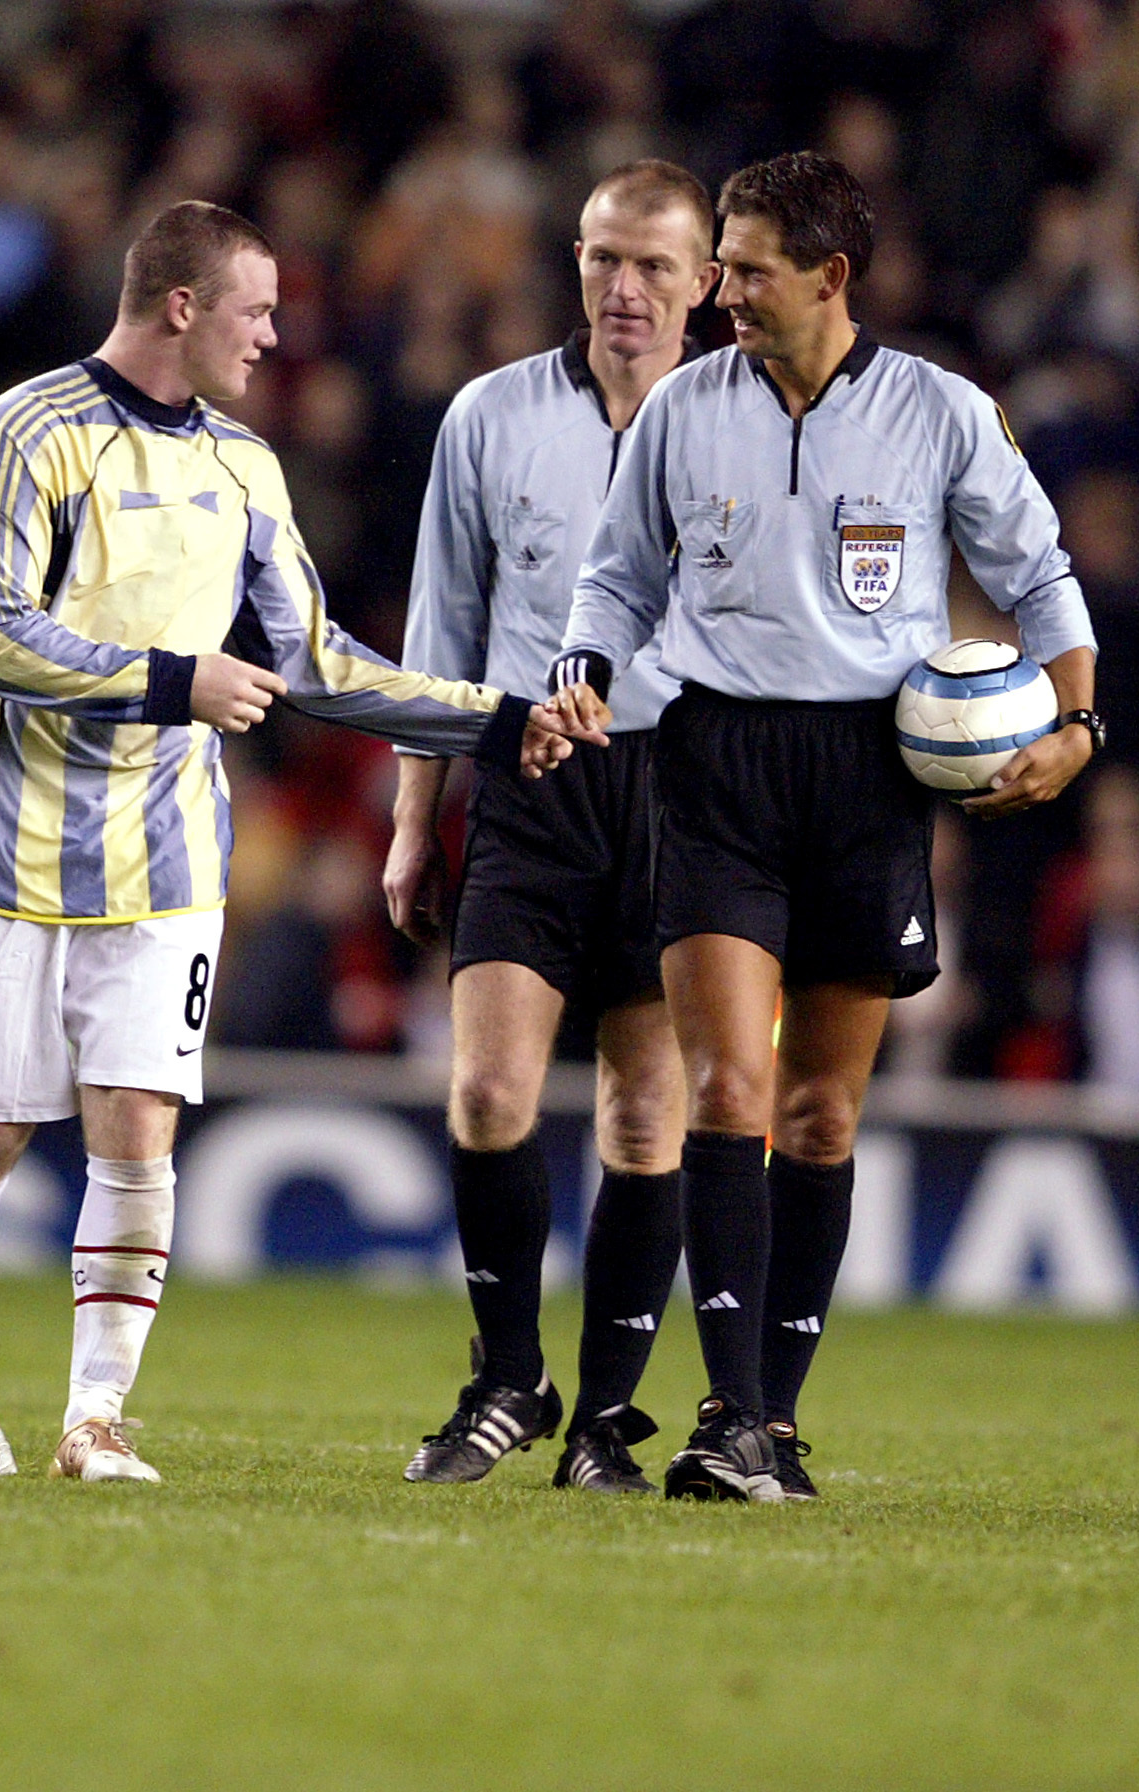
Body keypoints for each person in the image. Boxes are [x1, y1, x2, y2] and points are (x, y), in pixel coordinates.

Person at [0, 200, 582, 1484]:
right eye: (257, 310)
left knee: (137, 1128)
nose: (276, 335)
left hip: (163, 856)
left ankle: (93, 1416)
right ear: (181, 306)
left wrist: (497, 718)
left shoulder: (244, 466)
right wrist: (178, 682)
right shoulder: (21, 433)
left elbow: (316, 660)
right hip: (2, 846)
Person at [553, 151, 1101, 1502]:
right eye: (722, 265)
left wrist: (1079, 727)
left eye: (746, 269)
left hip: (871, 773)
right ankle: (725, 1415)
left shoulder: (941, 411)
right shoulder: (686, 409)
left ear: (831, 277)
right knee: (728, 1090)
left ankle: (772, 1420)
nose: (722, 291)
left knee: (817, 1113)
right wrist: (584, 671)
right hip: (718, 760)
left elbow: (1042, 574)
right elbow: (619, 575)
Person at [386, 161, 717, 1494]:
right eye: (600, 261)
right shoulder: (494, 415)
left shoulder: (744, 426)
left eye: (652, 267)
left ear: (706, 282)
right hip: (529, 778)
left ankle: (608, 1421)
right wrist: (416, 821)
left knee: (648, 1117)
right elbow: (439, 626)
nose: (623, 291)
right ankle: (507, 1379)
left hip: (687, 793)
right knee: (486, 1091)